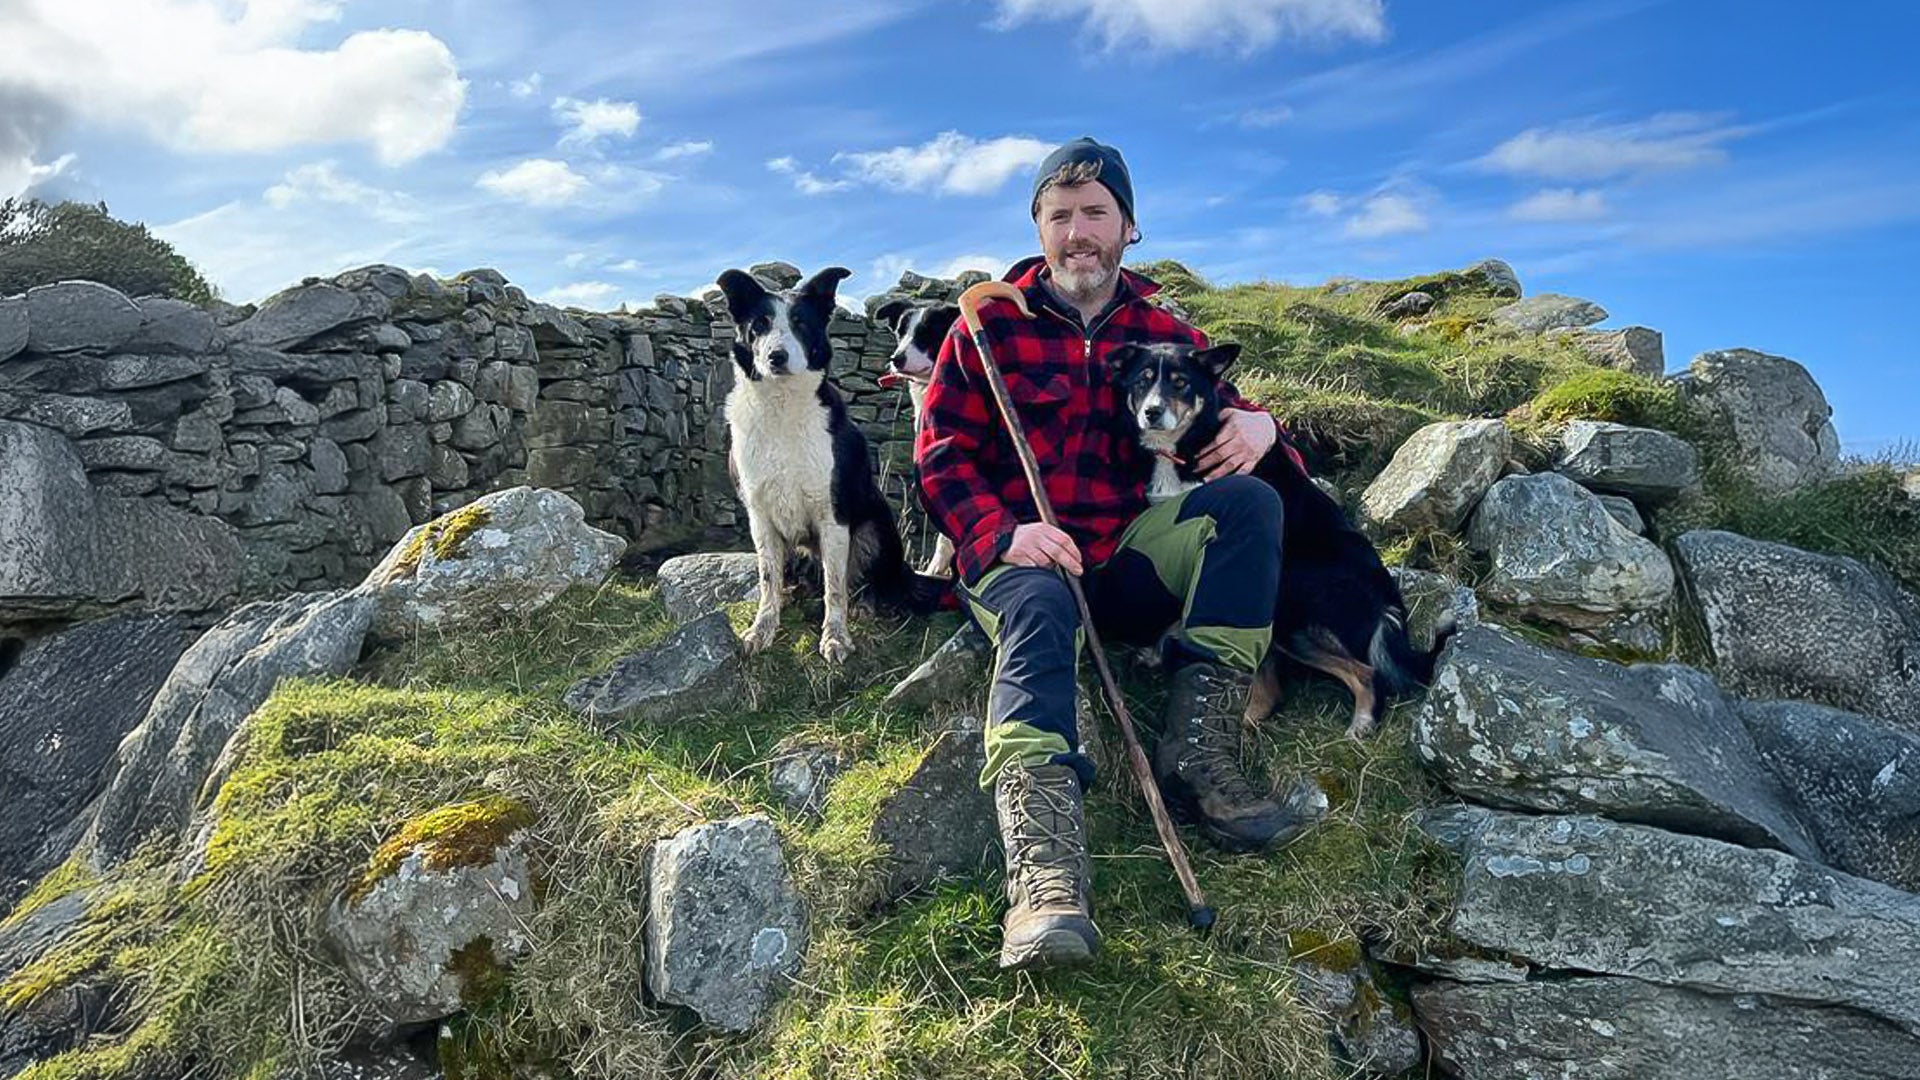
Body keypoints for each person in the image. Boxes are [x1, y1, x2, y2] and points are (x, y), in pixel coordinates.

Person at [915, 136, 1305, 971]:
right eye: (1060, 215)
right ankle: (1046, 876)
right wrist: (1003, 534)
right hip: (1023, 556)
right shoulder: (984, 329)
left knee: (1251, 504)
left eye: (1095, 213)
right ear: (1039, 228)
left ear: (1129, 227)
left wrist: (1263, 426)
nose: (1077, 232)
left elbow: (1247, 434)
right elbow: (941, 456)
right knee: (1040, 600)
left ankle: (1199, 756)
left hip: (1126, 552)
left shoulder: (1169, 333)